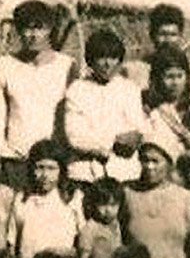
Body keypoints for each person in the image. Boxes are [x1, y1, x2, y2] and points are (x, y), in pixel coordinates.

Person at [0, 0, 78, 189]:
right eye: (26, 28)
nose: (33, 35)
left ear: (49, 28)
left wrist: (65, 156)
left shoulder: (66, 66)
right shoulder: (5, 65)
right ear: (18, 31)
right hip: (17, 160)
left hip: (54, 162)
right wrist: (1, 154)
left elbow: (75, 115)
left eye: (39, 27)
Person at [63, 30, 147, 184]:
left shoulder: (130, 89)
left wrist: (131, 138)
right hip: (85, 174)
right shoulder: (77, 90)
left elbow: (138, 130)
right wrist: (113, 141)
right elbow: (75, 136)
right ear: (91, 60)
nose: (108, 64)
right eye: (101, 58)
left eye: (113, 58)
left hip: (124, 173)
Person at [10, 139, 82, 258]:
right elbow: (12, 245)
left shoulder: (72, 199)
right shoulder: (22, 199)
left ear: (61, 170)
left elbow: (84, 248)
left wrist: (57, 252)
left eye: (51, 168)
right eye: (40, 168)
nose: (44, 175)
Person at [123, 4, 190, 103]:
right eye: (162, 34)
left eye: (173, 35)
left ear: (181, 37)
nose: (168, 40)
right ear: (152, 35)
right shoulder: (135, 71)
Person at [146, 44, 190, 163]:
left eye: (180, 76)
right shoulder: (153, 113)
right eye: (169, 77)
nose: (175, 83)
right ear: (158, 79)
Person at [77, 178, 124, 258]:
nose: (108, 210)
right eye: (103, 205)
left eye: (113, 205)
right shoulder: (90, 228)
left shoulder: (117, 225)